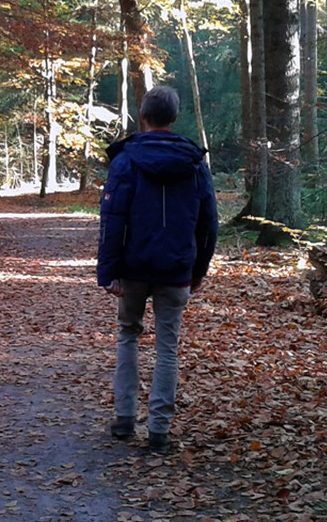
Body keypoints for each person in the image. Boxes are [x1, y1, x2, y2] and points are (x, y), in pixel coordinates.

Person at [97, 85, 218, 455]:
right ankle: (159, 431)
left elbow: (112, 218)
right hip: (177, 268)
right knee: (168, 347)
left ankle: (123, 419)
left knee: (128, 335)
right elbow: (209, 222)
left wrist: (109, 271)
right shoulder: (195, 163)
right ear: (174, 118)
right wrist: (199, 269)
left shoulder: (126, 160)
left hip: (133, 268)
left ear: (143, 117)